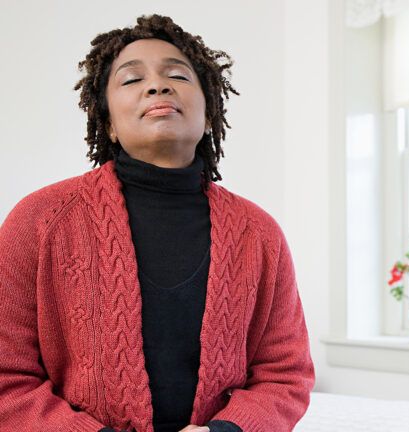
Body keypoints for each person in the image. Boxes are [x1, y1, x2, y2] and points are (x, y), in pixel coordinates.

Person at [0, 14, 315, 432]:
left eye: (178, 75)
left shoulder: (259, 234)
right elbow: (8, 381)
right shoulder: (39, 221)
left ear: (208, 115)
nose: (157, 85)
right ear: (108, 122)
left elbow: (285, 374)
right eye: (131, 80)